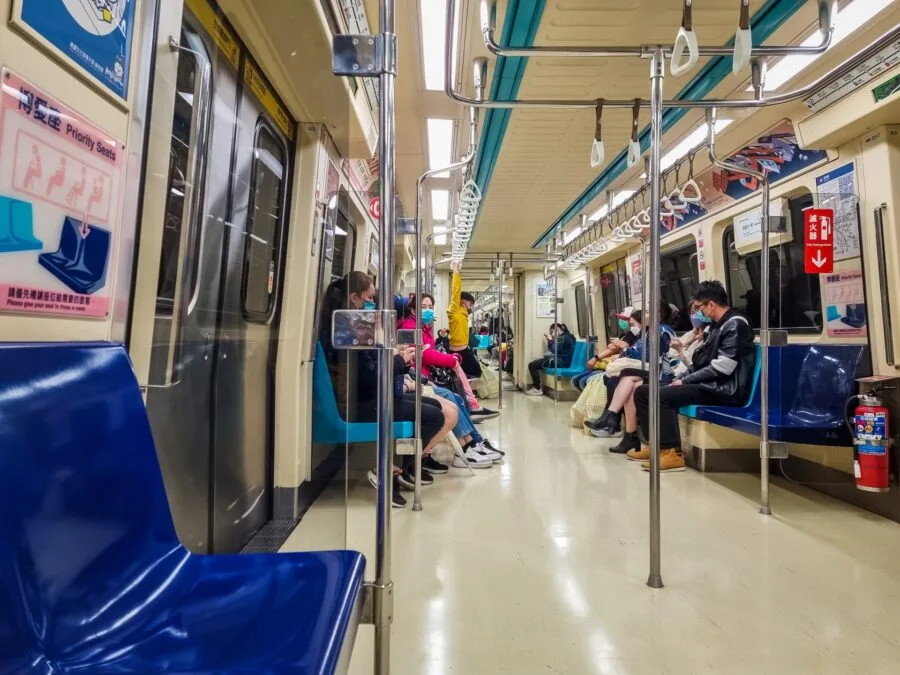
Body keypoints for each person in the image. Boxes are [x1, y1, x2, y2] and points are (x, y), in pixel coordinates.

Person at [322, 272, 453, 507]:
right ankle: (389, 470)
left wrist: (397, 359)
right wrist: (400, 361)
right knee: (434, 416)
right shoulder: (351, 330)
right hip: (361, 403)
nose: (372, 304)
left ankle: (402, 467)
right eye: (369, 298)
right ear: (354, 299)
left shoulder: (358, 326)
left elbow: (373, 369)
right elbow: (370, 377)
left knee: (432, 406)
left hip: (368, 396)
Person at [632, 280, 755, 472]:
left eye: (699, 307)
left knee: (661, 396)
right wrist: (681, 377)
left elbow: (723, 367)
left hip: (724, 388)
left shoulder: (735, 325)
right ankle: (654, 446)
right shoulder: (716, 326)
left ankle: (672, 454)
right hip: (710, 384)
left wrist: (685, 380)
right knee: (643, 391)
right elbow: (702, 362)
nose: (698, 312)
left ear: (711, 304)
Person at [588, 304, 677, 453]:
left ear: (658, 314)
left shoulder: (662, 331)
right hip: (650, 371)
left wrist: (624, 348)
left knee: (628, 375)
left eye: (647, 311)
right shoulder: (649, 332)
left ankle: (611, 415)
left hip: (661, 373)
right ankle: (630, 435)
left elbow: (649, 356)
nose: (644, 315)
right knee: (633, 387)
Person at [571, 306, 641, 391]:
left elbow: (618, 348)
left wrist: (596, 357)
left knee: (584, 381)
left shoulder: (636, 334)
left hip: (622, 364)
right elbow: (615, 347)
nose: (622, 321)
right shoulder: (628, 334)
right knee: (576, 379)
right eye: (621, 318)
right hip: (615, 363)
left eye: (625, 319)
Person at [447, 261, 483, 379]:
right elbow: (456, 290)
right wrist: (456, 271)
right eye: (470, 303)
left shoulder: (464, 314)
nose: (470, 306)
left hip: (464, 348)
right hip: (459, 350)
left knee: (470, 372)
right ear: (463, 301)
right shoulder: (455, 310)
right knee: (476, 371)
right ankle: (463, 388)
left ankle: (463, 388)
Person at [525, 323, 577, 396]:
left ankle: (537, 389)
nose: (552, 335)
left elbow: (554, 349)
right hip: (562, 360)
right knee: (536, 362)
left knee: (532, 365)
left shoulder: (563, 338)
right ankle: (536, 388)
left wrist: (550, 340)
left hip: (560, 362)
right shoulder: (568, 336)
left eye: (552, 332)